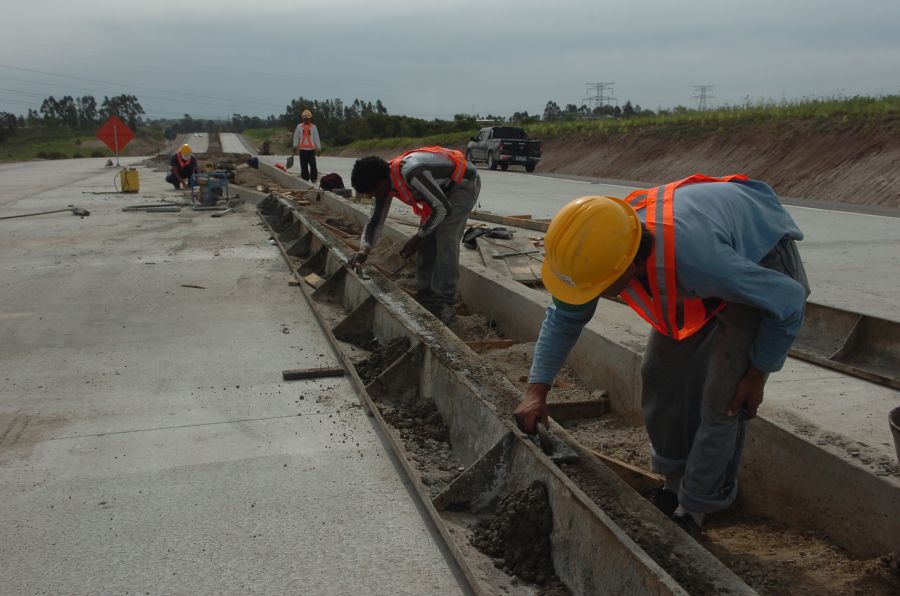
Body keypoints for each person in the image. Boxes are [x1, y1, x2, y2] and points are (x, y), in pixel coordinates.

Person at [514, 174, 810, 536]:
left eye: (601, 287)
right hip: (709, 255)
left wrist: (757, 374)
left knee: (724, 399)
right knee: (659, 372)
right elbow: (563, 317)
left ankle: (696, 509)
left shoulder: (700, 262)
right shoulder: (605, 244)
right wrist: (536, 391)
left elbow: (789, 300)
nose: (596, 295)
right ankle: (674, 485)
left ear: (629, 267)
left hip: (761, 259)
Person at [348, 147, 481, 323]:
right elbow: (374, 221)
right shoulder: (384, 182)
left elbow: (442, 208)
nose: (373, 196)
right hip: (438, 194)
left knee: (445, 239)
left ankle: (444, 302)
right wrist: (364, 249)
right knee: (427, 242)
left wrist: (417, 237)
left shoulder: (412, 172)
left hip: (462, 184)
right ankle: (426, 295)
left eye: (372, 192)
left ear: (380, 183)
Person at [291, 109, 321, 183]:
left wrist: (319, 148)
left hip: (311, 150)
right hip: (303, 150)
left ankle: (313, 179)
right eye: (305, 118)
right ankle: (305, 180)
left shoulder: (313, 127)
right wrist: (294, 146)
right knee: (304, 167)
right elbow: (296, 137)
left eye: (307, 118)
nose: (306, 119)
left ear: (310, 118)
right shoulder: (299, 127)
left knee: (313, 166)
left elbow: (316, 138)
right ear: (303, 118)